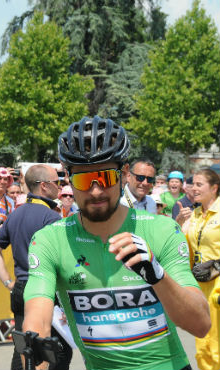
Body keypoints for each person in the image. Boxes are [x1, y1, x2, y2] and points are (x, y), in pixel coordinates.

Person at [22, 116, 210, 370]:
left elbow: (200, 325)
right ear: (68, 178)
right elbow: (37, 323)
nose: (96, 191)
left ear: (123, 174)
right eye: (84, 180)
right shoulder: (49, 240)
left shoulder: (162, 229)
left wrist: (158, 277)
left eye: (105, 177)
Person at [0, 164, 72, 370]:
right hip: (45, 291)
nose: (60, 187)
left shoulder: (16, 214)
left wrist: (9, 282)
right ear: (44, 186)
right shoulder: (51, 218)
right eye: (57, 183)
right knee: (57, 350)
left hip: (21, 287)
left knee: (24, 348)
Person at [186, 168, 220, 370]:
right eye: (193, 184)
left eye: (199, 184)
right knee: (202, 346)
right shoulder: (195, 214)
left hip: (217, 287)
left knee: (216, 347)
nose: (194, 188)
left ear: (214, 188)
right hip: (199, 286)